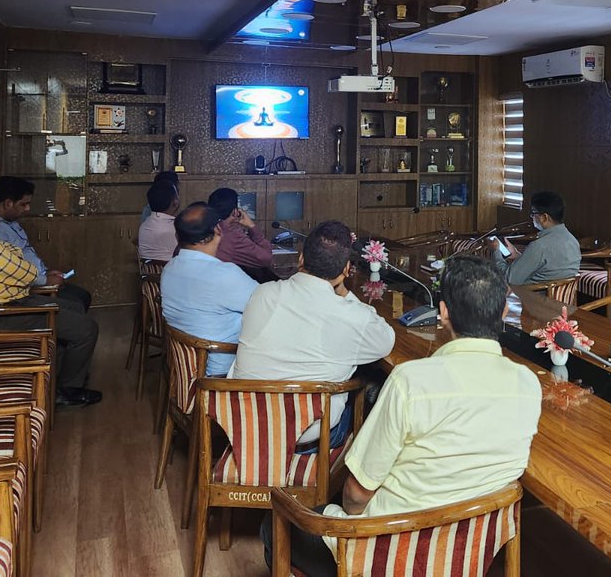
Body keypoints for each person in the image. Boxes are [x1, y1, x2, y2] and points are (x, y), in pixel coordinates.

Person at [260, 256, 542, 576]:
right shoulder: (528, 385)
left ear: (444, 312)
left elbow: (355, 495)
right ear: (504, 312)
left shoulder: (412, 380)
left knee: (273, 524)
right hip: (467, 556)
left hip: (390, 556)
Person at [0, 180, 101, 407]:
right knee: (86, 328)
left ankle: (62, 376)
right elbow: (20, 269)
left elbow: (16, 265)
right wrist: (37, 277)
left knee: (73, 308)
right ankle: (65, 391)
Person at [230, 220, 394, 446]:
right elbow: (385, 342)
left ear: (301, 259)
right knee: (369, 393)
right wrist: (344, 291)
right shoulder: (353, 317)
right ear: (346, 269)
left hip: (246, 423)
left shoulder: (262, 293)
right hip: (305, 436)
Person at [160, 203, 259, 376]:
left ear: (177, 236)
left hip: (184, 367)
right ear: (217, 231)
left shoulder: (169, 269)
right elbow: (269, 305)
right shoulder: (224, 275)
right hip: (222, 372)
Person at [0, 175, 92, 311]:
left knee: (83, 295)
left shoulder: (10, 222)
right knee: (76, 305)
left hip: (40, 278)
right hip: (29, 286)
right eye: (24, 204)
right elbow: (12, 271)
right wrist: (45, 281)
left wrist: (46, 273)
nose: (27, 209)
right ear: (8, 203)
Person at [487, 191, 581, 285]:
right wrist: (518, 256)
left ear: (544, 217)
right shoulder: (573, 241)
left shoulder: (539, 246)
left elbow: (508, 279)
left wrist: (496, 251)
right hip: (561, 298)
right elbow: (546, 267)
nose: (531, 217)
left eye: (533, 213)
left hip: (533, 297)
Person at [207, 187, 273, 271]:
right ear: (235, 211)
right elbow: (266, 259)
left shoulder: (206, 225)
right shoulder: (232, 235)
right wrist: (251, 226)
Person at [138, 180, 181, 262]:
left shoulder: (145, 224)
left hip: (150, 273)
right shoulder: (176, 228)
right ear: (175, 202)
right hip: (172, 271)